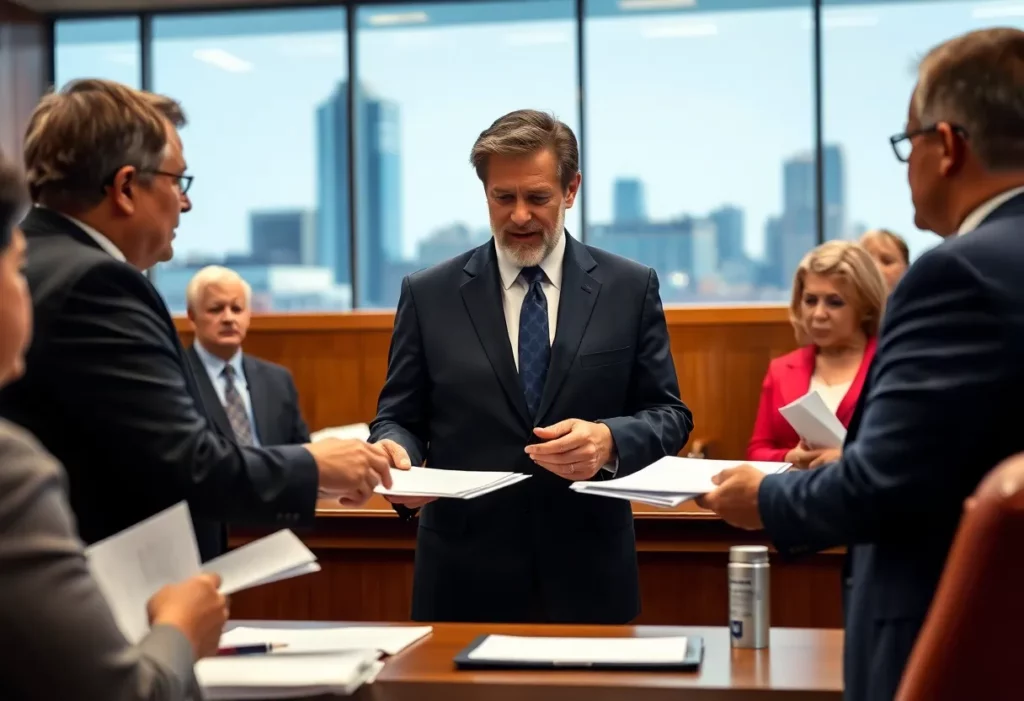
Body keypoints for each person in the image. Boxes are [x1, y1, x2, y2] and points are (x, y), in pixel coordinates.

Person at [700, 28, 1024, 701]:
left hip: (956, 640)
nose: (906, 166)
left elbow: (884, 489)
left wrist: (762, 497)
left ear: (949, 145)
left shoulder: (957, 274)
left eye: (908, 145)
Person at [0, 79, 391, 562]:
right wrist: (314, 466)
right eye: (176, 181)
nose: (185, 203)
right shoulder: (95, 283)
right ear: (125, 187)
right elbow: (184, 465)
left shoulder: (32, 259)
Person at [369, 109, 693, 623]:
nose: (519, 215)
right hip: (463, 575)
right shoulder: (428, 294)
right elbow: (399, 417)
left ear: (571, 190)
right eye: (504, 197)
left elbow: (670, 414)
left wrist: (609, 440)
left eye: (537, 197)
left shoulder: (629, 287)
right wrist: (395, 453)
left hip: (588, 574)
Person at [0, 149, 227, 700]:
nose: (27, 286)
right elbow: (122, 692)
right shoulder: (11, 472)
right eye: (14, 265)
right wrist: (179, 627)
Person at [747, 241, 885, 467]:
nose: (818, 314)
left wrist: (848, 457)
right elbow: (757, 451)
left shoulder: (888, 366)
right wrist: (789, 458)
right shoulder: (781, 369)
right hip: (791, 495)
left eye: (835, 302)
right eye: (810, 300)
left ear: (866, 307)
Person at [185, 265, 310, 446]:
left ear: (248, 315)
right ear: (192, 316)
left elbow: (303, 454)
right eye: (216, 309)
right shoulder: (176, 376)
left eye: (237, 309)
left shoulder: (278, 380)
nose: (228, 318)